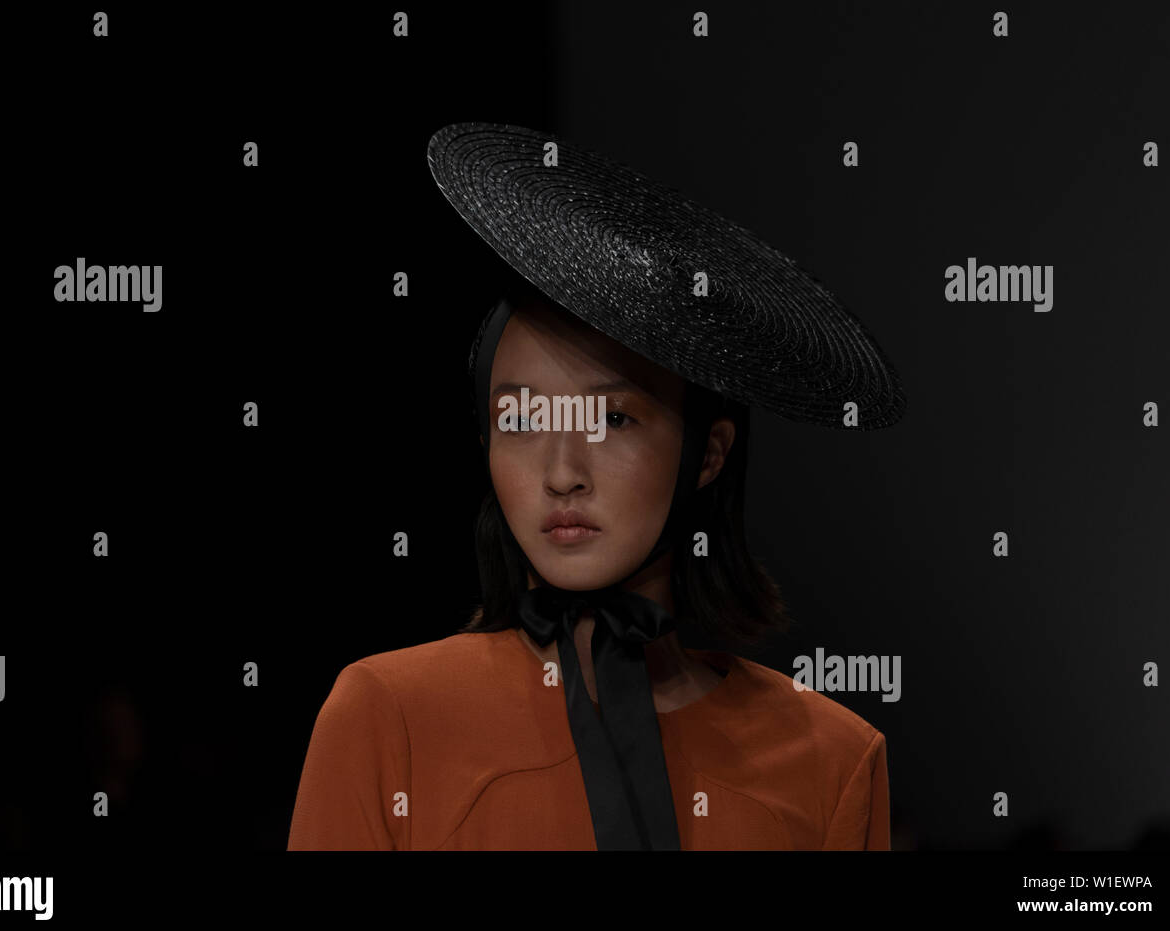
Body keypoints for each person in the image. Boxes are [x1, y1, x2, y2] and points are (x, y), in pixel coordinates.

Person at [287, 288, 891, 850]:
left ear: (708, 453)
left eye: (612, 419)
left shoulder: (831, 760)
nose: (561, 473)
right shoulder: (390, 717)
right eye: (521, 421)